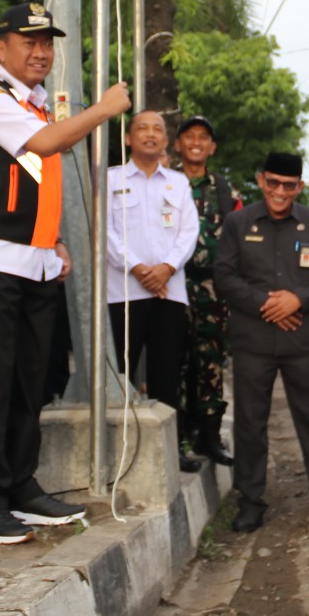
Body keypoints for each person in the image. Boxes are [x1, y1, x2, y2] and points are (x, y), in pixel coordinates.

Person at [0, 3, 131, 544]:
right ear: (0, 47)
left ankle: (18, 486)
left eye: (47, 41)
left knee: (29, 382)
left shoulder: (38, 104)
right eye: (28, 41)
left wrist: (53, 240)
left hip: (34, 262)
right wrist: (103, 109)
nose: (41, 51)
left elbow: (35, 183)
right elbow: (46, 146)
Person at [214, 152, 309, 533]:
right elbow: (225, 276)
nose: (280, 192)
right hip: (253, 341)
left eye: (289, 185)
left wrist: (297, 299)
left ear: (300, 187)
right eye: (273, 183)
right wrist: (266, 303)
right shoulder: (238, 222)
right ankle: (250, 502)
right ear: (261, 180)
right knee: (250, 422)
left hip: (303, 340)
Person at [107, 112, 200, 466]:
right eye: (142, 128)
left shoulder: (178, 184)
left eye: (157, 129)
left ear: (165, 141)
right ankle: (119, 452)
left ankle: (170, 451)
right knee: (121, 373)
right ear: (128, 139)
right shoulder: (110, 179)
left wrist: (166, 268)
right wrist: (137, 268)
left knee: (165, 374)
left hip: (168, 292)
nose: (150, 134)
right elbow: (106, 231)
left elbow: (188, 233)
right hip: (123, 292)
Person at [174, 115, 239, 466]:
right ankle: (180, 437)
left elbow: (239, 236)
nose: (196, 142)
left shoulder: (225, 189)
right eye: (189, 136)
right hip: (172, 284)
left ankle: (210, 438)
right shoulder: (167, 182)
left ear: (212, 147)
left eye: (204, 137)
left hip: (213, 287)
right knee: (176, 362)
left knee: (211, 361)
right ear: (178, 145)